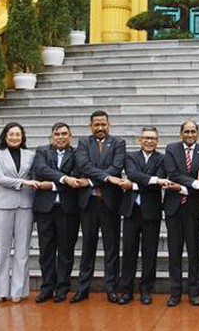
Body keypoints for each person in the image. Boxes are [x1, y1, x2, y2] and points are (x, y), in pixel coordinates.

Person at [72, 110, 127, 304]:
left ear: (109, 124)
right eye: (96, 125)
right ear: (91, 126)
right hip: (88, 203)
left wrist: (92, 181)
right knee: (88, 247)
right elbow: (83, 166)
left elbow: (116, 167)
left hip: (110, 203)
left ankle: (112, 289)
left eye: (103, 124)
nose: (100, 128)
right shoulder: (83, 143)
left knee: (111, 248)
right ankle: (83, 289)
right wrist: (104, 178)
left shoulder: (118, 143)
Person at [162, 120, 199, 307]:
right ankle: (175, 293)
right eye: (186, 131)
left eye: (193, 131)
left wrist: (189, 187)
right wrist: (194, 184)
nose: (190, 134)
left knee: (194, 252)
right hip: (174, 209)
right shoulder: (171, 149)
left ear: (198, 133)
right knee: (174, 252)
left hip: (194, 209)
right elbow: (172, 174)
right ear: (180, 133)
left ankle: (194, 292)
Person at [117, 126, 170, 305]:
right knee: (129, 252)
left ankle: (146, 290)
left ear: (157, 141)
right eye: (146, 138)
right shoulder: (130, 156)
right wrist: (152, 180)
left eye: (153, 138)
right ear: (139, 140)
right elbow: (132, 173)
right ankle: (126, 291)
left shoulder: (163, 159)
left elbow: (158, 180)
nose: (149, 141)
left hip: (151, 212)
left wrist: (133, 185)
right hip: (131, 211)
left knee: (150, 253)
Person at [31, 122, 83, 304]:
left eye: (64, 134)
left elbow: (77, 175)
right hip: (45, 209)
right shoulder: (42, 151)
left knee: (66, 251)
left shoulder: (77, 153)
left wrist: (52, 184)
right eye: (57, 134)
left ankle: (62, 287)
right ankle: (47, 287)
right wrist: (63, 178)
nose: (60, 137)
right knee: (46, 251)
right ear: (51, 136)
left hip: (68, 210)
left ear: (70, 136)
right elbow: (40, 170)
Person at [0, 122, 38, 304]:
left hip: (25, 205)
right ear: (5, 136)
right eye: (11, 134)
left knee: (22, 250)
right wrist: (23, 182)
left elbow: (35, 176)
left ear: (23, 137)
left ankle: (18, 290)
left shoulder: (31, 155)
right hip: (3, 206)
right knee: (2, 249)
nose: (14, 137)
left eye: (18, 134)